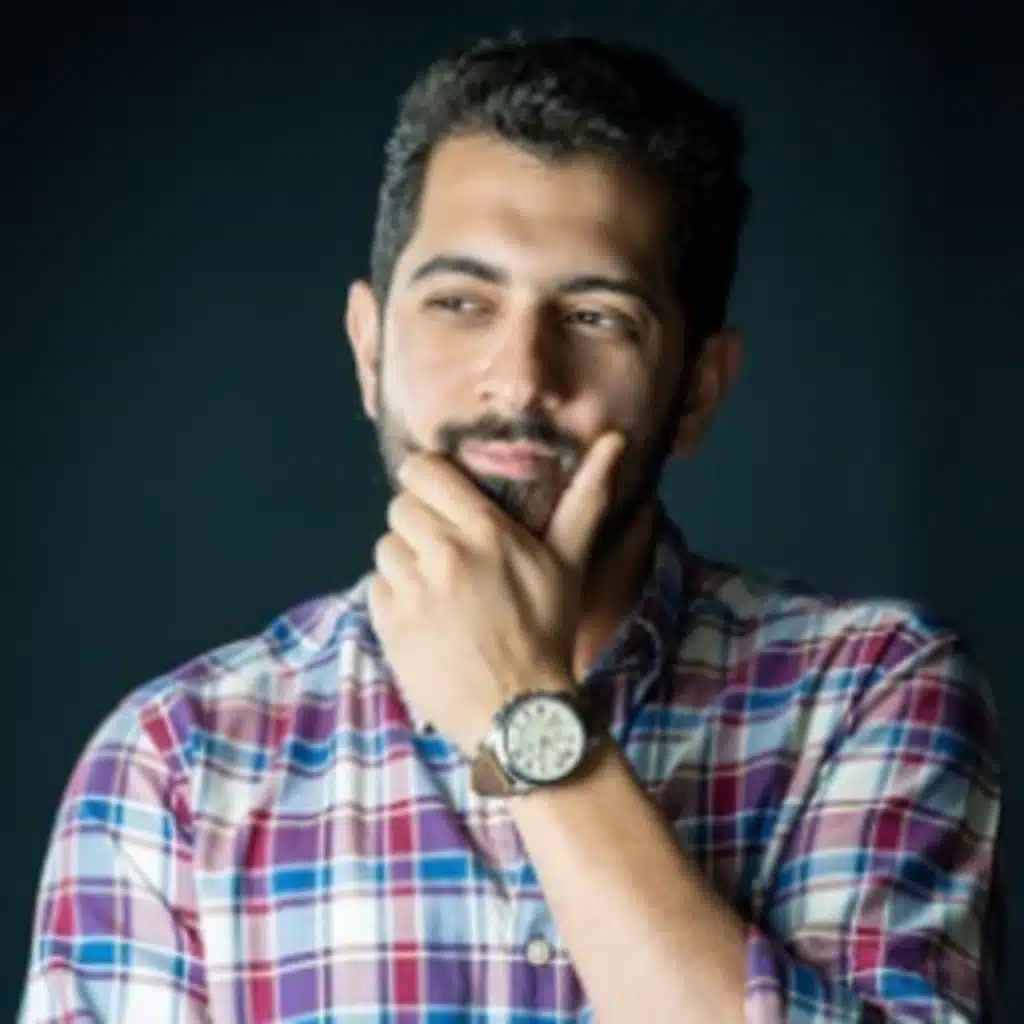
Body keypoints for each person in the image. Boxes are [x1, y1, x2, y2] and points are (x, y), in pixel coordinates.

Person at [19, 33, 1002, 1024]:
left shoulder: (870, 690)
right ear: (369, 350)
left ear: (699, 389)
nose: (522, 378)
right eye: (460, 302)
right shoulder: (177, 764)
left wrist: (522, 708)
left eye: (596, 317)